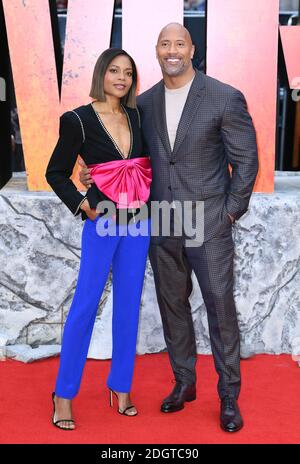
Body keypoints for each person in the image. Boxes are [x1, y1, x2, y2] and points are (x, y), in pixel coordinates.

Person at [79, 23, 259, 432]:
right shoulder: (142, 104)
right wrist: (92, 174)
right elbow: (123, 157)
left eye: (179, 43)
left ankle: (229, 396)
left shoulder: (223, 97)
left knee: (220, 310)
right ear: (157, 52)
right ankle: (184, 384)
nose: (172, 50)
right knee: (172, 308)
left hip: (208, 222)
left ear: (192, 49)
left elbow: (246, 161)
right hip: (160, 222)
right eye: (165, 44)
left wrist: (229, 213)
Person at [46, 48, 152, 430]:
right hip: (103, 220)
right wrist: (83, 204)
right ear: (100, 74)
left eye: (127, 72)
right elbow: (55, 172)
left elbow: (143, 166)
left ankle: (121, 386)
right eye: (113, 71)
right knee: (86, 304)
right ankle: (63, 393)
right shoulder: (77, 119)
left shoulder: (138, 115)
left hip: (139, 221)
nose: (121, 78)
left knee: (128, 304)